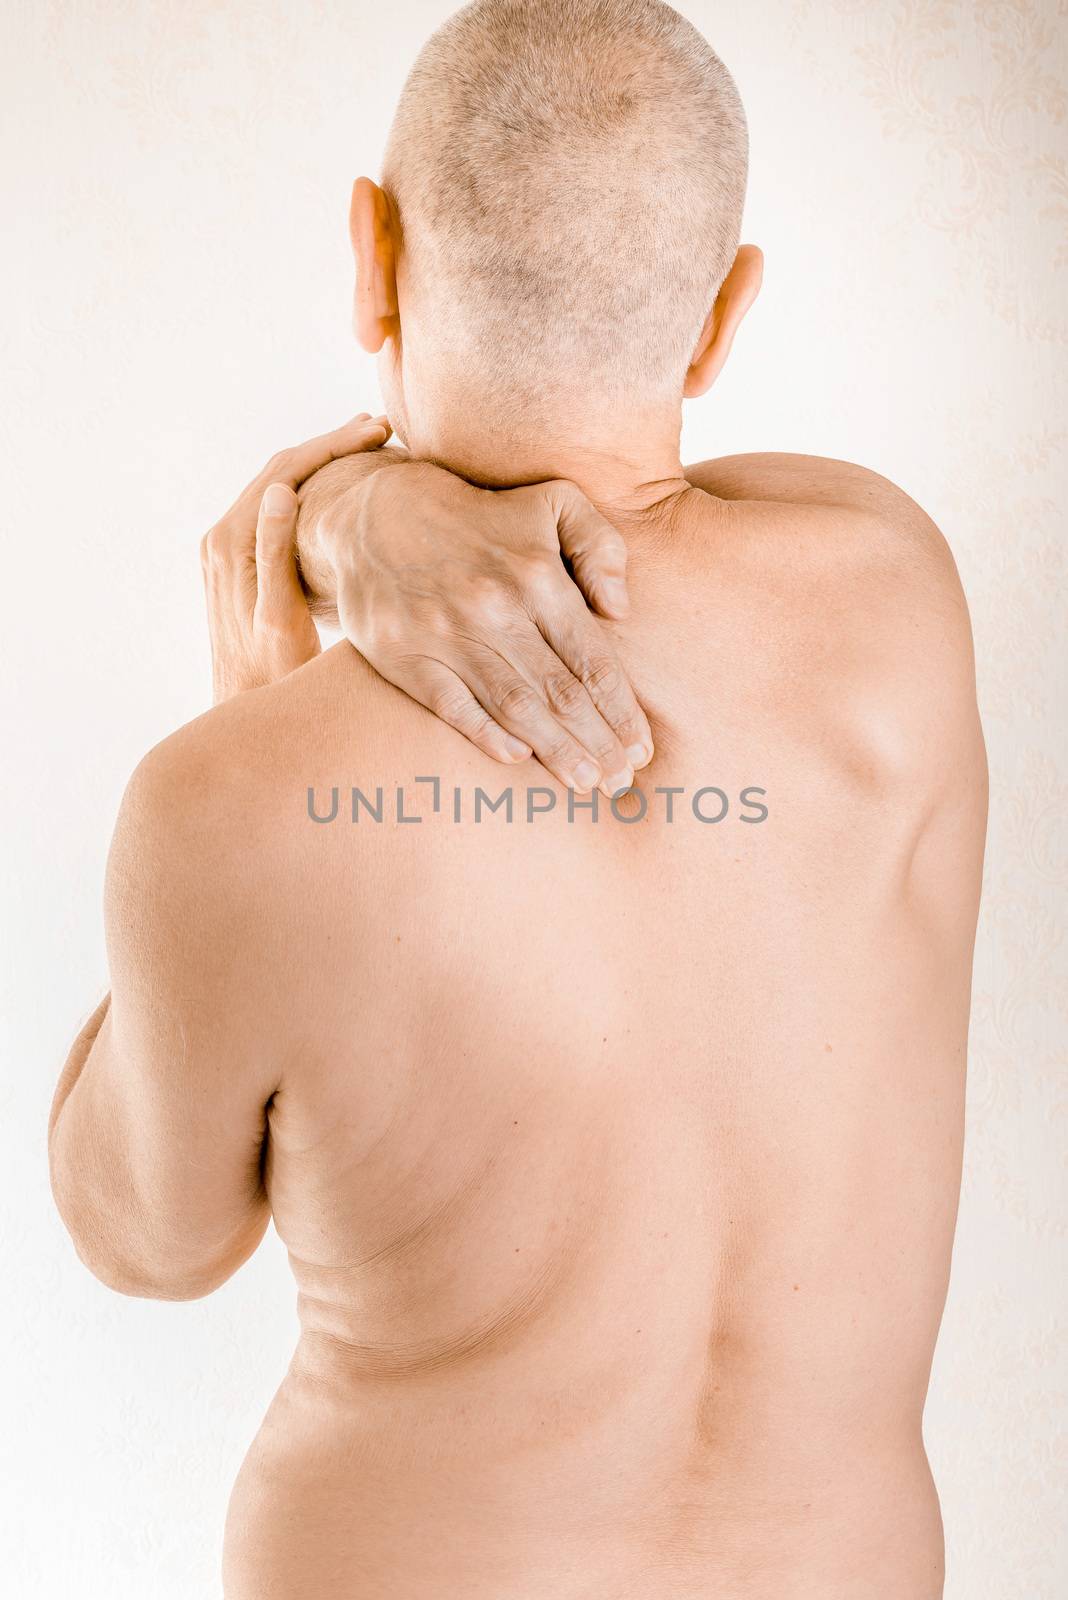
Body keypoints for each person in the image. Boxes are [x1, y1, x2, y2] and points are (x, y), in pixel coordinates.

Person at [48, 2, 988, 1596]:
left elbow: (143, 1240)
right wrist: (377, 509)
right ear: (720, 313)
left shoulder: (231, 806)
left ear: (370, 256)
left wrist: (312, 573)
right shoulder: (896, 600)